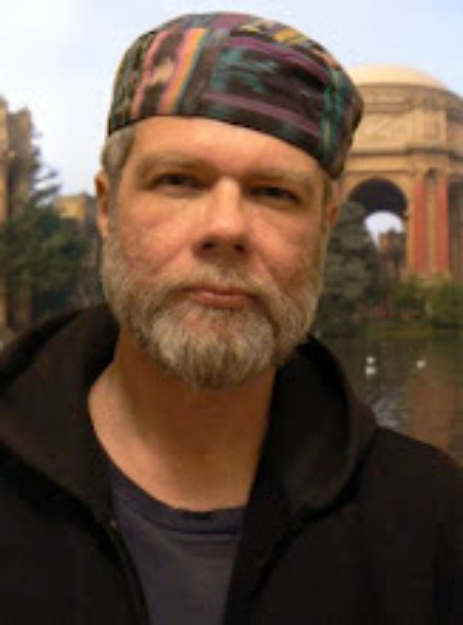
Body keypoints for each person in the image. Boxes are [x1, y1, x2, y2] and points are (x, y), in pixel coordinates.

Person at [0, 12, 461, 625]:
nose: (225, 228)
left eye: (274, 193)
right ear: (108, 209)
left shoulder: (433, 520)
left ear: (324, 229)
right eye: (179, 181)